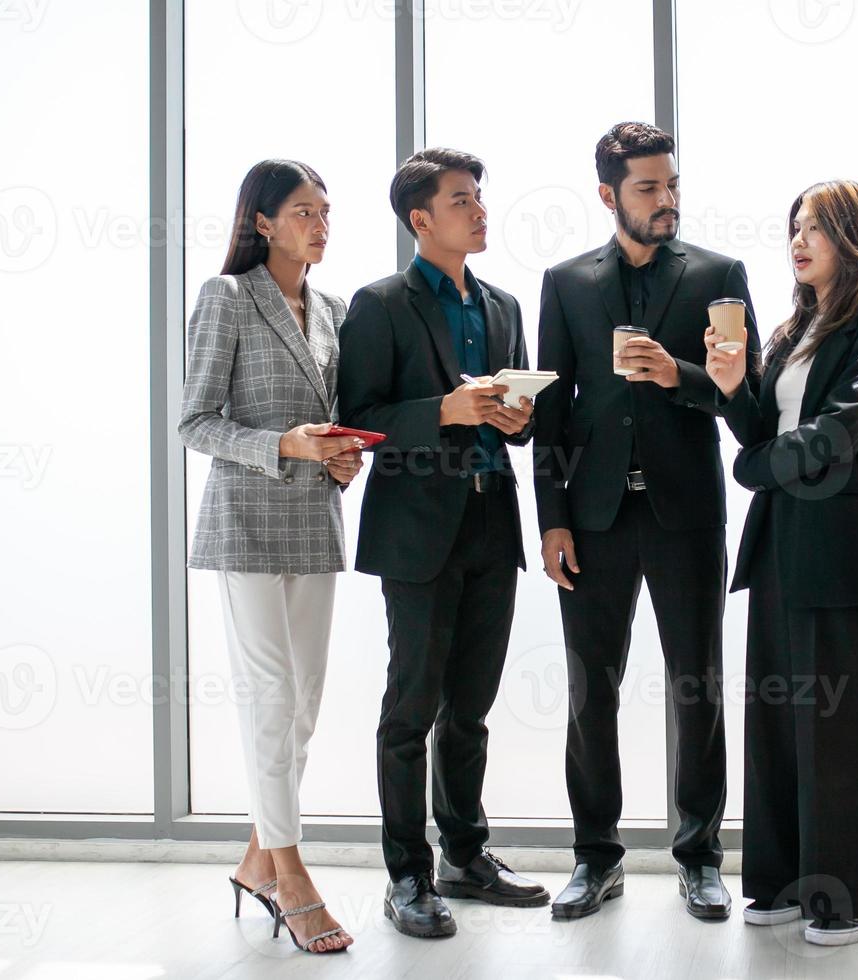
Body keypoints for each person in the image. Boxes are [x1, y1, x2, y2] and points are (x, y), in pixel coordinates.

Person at [532, 121, 762, 922]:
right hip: (592, 520)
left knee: (696, 685)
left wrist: (680, 375)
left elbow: (749, 404)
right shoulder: (564, 284)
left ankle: (700, 857)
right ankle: (596, 857)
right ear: (608, 195)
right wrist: (552, 521)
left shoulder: (719, 275)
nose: (666, 201)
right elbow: (551, 413)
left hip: (686, 514)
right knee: (590, 691)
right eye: (647, 188)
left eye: (671, 185)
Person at [337, 147, 547, 940]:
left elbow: (517, 413)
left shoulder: (501, 305)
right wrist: (447, 413)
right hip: (418, 532)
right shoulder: (379, 303)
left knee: (473, 709)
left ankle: (466, 854)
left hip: (494, 520)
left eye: (480, 199)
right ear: (421, 219)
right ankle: (406, 877)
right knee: (411, 708)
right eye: (463, 201)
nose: (480, 211)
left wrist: (516, 416)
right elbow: (360, 418)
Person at [705, 179, 858, 946]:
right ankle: (787, 883)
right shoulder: (795, 326)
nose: (798, 241)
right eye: (794, 226)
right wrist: (731, 389)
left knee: (844, 729)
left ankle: (857, 897)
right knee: (779, 721)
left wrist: (753, 466)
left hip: (844, 550)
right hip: (783, 544)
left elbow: (835, 437)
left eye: (816, 228)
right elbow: (761, 426)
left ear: (854, 238)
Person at [179, 159, 363, 954]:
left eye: (325, 211)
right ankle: (291, 873)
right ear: (261, 221)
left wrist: (340, 457)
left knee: (305, 705)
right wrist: (280, 445)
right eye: (301, 211)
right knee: (270, 698)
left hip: (314, 522)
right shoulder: (226, 297)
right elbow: (195, 423)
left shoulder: (334, 307)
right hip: (247, 523)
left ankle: (256, 858)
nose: (319, 224)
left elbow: (332, 421)